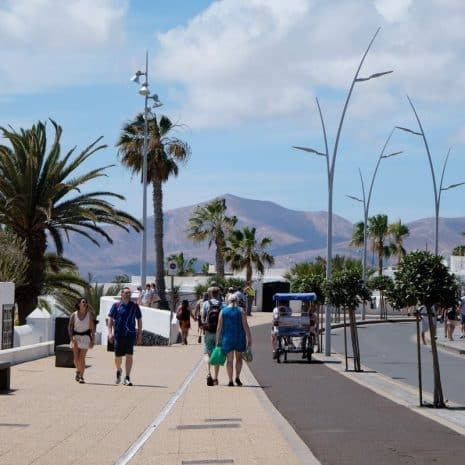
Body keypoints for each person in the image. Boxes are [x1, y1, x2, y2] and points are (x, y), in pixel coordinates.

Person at [107, 286, 143, 386]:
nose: (128, 294)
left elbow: (139, 320)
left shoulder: (134, 306)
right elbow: (110, 319)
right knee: (117, 356)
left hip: (130, 334)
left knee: (129, 355)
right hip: (118, 334)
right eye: (126, 293)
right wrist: (110, 333)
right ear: (121, 294)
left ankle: (127, 377)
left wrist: (139, 334)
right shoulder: (116, 306)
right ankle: (119, 370)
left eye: (129, 293)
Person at [216, 294, 252, 386]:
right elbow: (245, 326)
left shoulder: (223, 311)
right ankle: (237, 377)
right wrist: (249, 339)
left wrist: (217, 341)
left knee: (229, 360)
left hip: (227, 339)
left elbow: (219, 328)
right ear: (237, 301)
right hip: (239, 338)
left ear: (228, 301)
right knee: (239, 359)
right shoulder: (241, 311)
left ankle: (230, 380)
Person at [68, 297, 95, 383]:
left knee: (82, 358)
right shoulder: (73, 315)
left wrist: (92, 340)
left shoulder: (90, 315)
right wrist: (71, 338)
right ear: (79, 304)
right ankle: (77, 371)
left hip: (86, 338)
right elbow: (70, 327)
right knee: (76, 358)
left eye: (86, 302)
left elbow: (92, 329)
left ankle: (81, 376)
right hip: (76, 337)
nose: (84, 303)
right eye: (83, 302)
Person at [202, 287, 223, 386]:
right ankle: (216, 378)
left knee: (207, 354)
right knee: (217, 354)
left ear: (210, 294)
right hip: (219, 333)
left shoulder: (206, 304)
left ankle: (208, 373)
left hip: (208, 332)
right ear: (218, 294)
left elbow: (202, 317)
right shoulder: (222, 305)